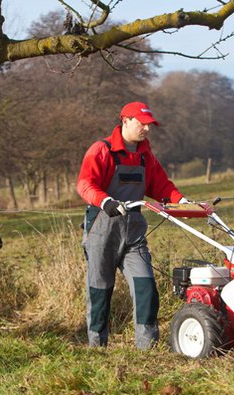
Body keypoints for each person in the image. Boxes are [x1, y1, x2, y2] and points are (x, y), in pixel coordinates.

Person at [76, 101, 188, 350]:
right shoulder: (101, 150)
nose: (146, 129)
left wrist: (181, 201)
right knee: (100, 291)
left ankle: (146, 349)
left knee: (146, 286)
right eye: (142, 123)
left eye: (149, 125)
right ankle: (97, 347)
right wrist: (105, 201)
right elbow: (85, 183)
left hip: (134, 232)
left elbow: (161, 186)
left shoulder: (145, 156)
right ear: (125, 120)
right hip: (102, 228)